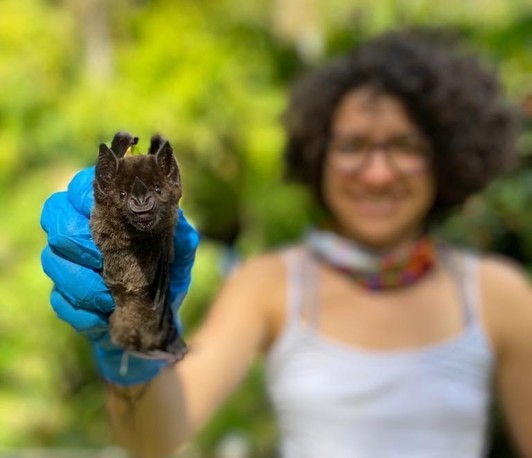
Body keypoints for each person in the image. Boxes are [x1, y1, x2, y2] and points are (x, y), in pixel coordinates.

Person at [41, 29, 532, 458]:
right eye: (353, 145)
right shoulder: (269, 284)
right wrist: (132, 348)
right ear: (319, 153)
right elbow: (155, 441)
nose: (378, 173)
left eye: (404, 146)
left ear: (446, 158)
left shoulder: (497, 294)